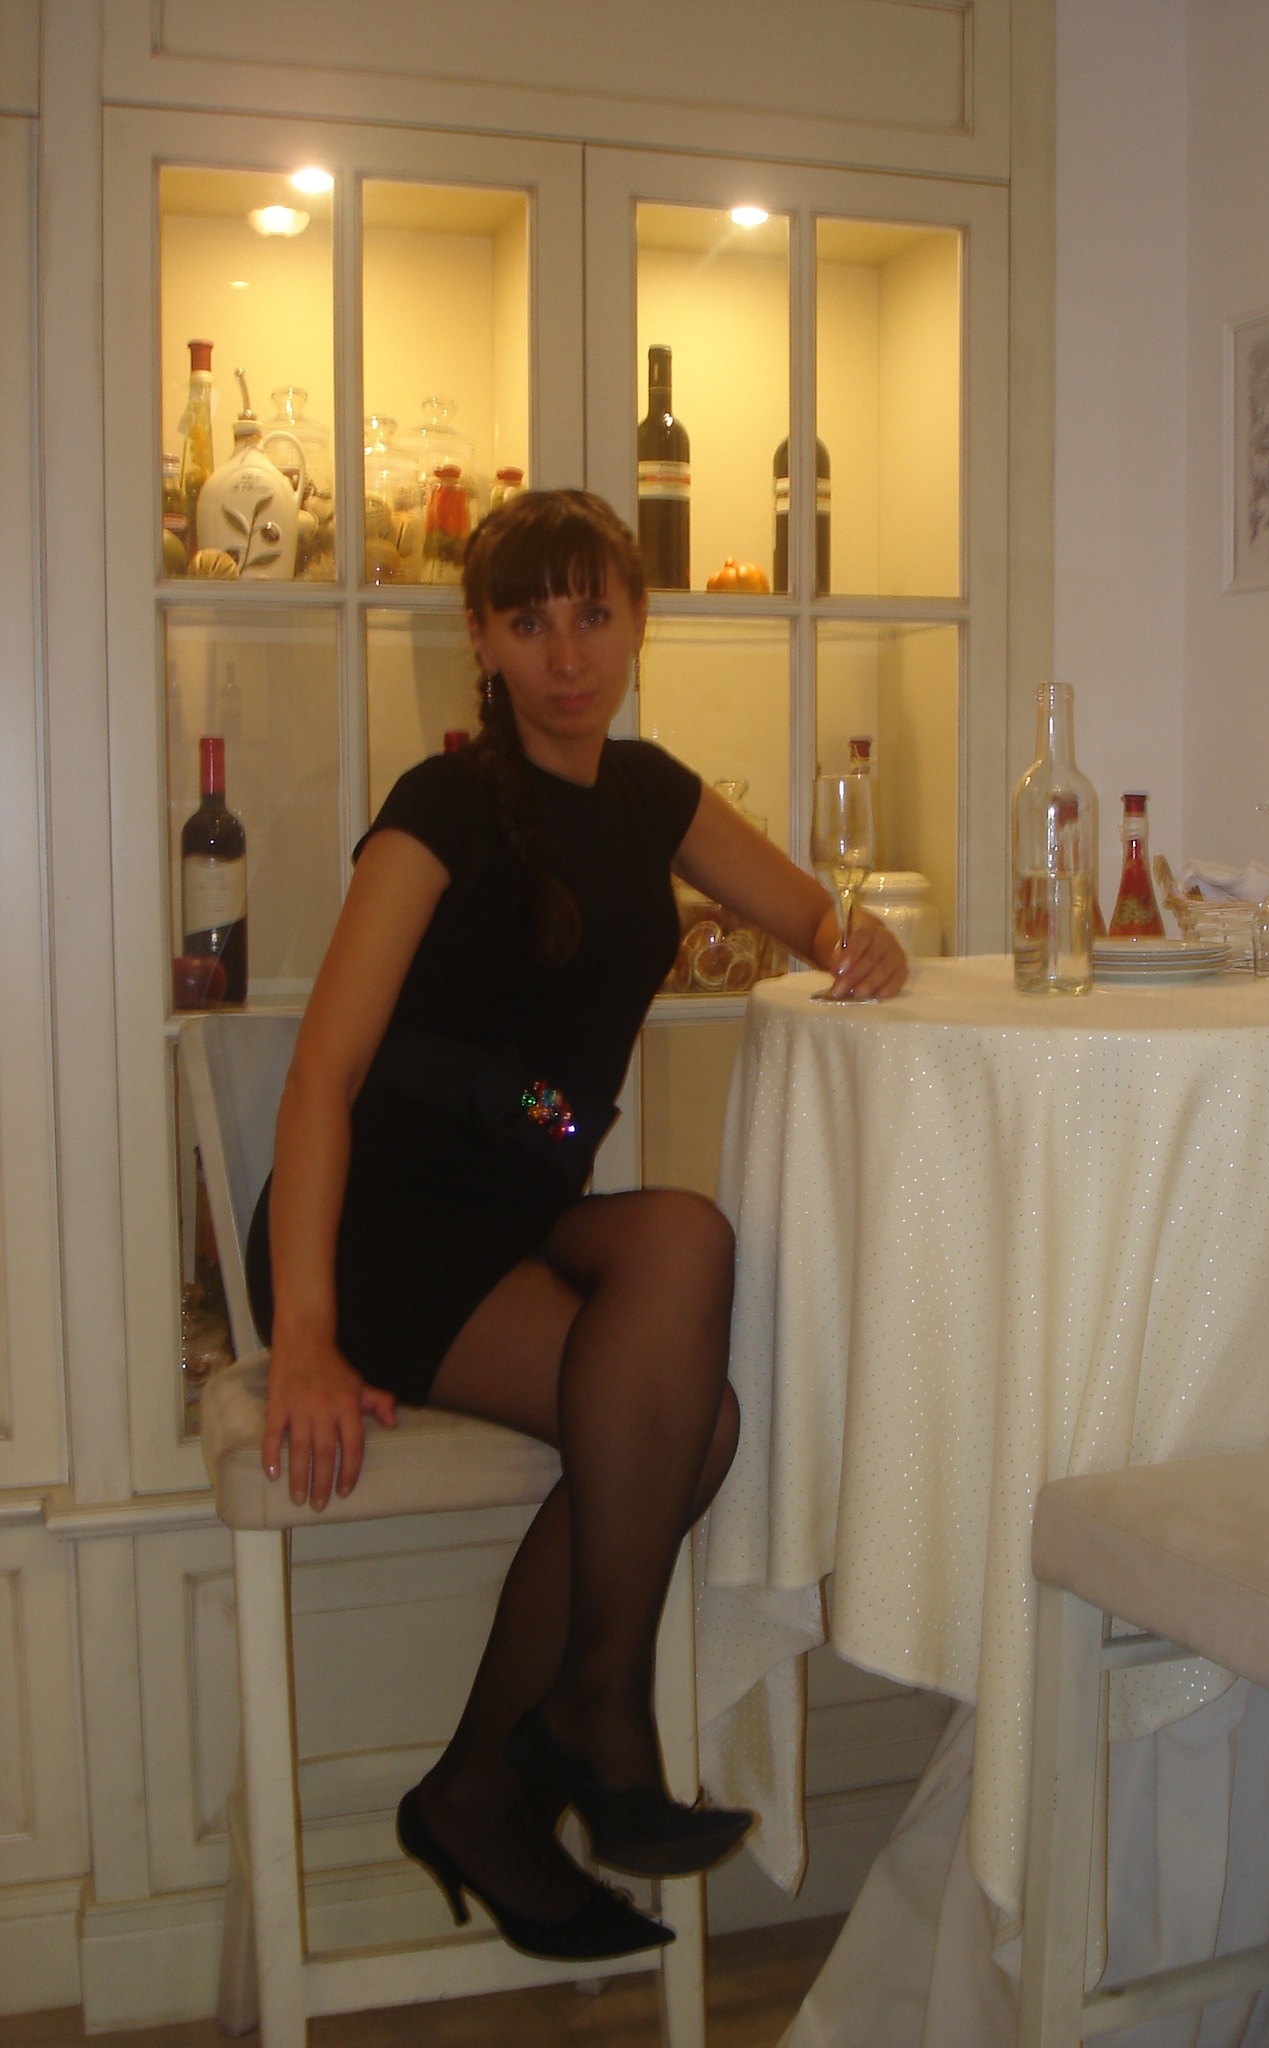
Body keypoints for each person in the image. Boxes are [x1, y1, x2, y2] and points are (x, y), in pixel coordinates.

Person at [245, 489, 907, 1963]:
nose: (566, 656)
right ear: (482, 638)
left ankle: (517, 1759)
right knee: (690, 1426)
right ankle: (563, 1738)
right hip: (381, 1225)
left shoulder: (653, 796)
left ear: (638, 623)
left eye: (593, 616)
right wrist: (302, 1335)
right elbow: (325, 1075)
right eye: (530, 621)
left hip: (516, 1203)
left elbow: (817, 920)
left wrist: (861, 940)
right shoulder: (439, 809)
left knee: (688, 1245)